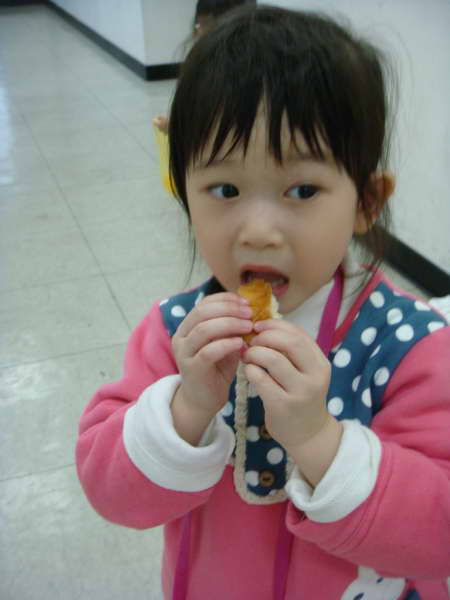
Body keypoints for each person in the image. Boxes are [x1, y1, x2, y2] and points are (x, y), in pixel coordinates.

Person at [76, 6, 450, 600]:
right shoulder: (173, 335)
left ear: (366, 202)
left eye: (302, 189)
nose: (257, 231)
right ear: (185, 194)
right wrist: (186, 408)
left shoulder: (410, 347)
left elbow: (438, 537)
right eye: (224, 189)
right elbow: (110, 493)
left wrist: (319, 440)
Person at [153, 0, 255, 134]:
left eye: (207, 25)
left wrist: (175, 128)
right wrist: (174, 125)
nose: (200, 31)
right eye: (199, 24)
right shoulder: (201, 63)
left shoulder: (232, 71)